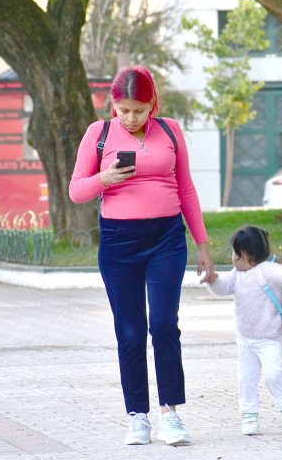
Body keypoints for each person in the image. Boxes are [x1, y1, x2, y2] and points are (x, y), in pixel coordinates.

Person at [68, 65, 216, 447]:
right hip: (119, 243)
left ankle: (171, 414)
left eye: (139, 109)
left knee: (165, 324)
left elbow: (186, 187)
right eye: (124, 110)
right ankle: (137, 416)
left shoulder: (169, 130)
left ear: (153, 103)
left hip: (166, 239)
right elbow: (75, 191)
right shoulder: (97, 134)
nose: (131, 118)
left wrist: (202, 244)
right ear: (113, 105)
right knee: (130, 331)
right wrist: (105, 179)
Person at [205, 226, 282, 436]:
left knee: (273, 374)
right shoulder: (237, 274)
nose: (232, 257)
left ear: (244, 254)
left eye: (234, 252)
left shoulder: (268, 271)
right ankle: (249, 415)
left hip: (269, 339)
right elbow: (222, 289)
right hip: (245, 340)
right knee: (246, 378)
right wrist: (213, 280)